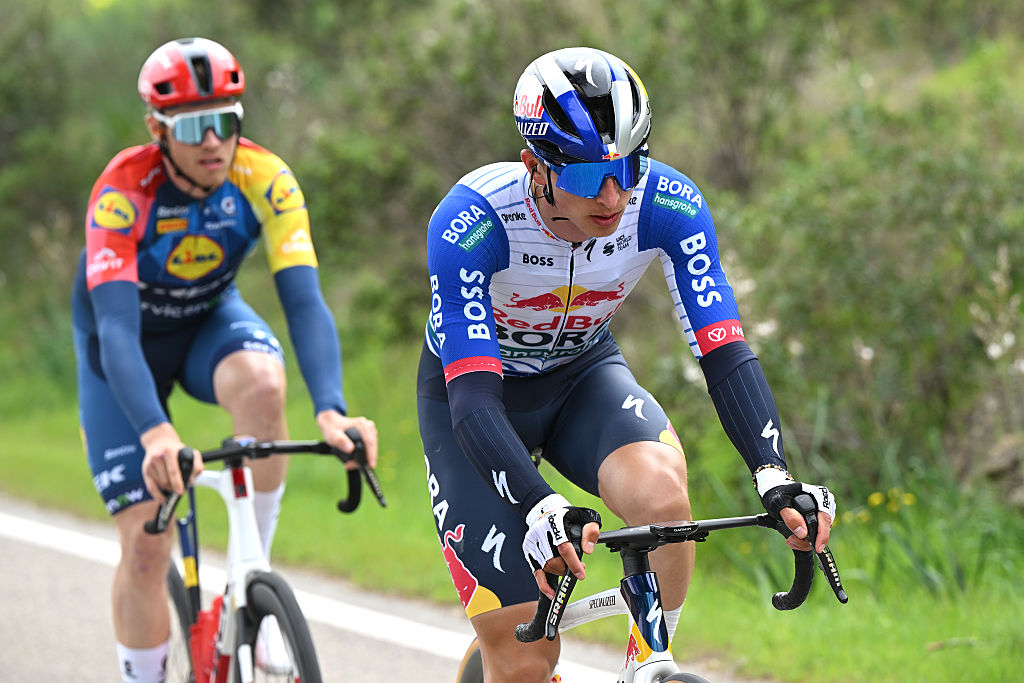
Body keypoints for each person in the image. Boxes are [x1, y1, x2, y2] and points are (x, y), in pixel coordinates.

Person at [417, 46, 836, 682]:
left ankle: (647, 665)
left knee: (664, 501)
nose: (612, 195)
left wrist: (774, 476)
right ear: (536, 167)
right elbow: (474, 399)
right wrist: (538, 506)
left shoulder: (668, 203)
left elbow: (723, 351)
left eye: (628, 166)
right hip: (474, 403)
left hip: (583, 379)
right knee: (525, 655)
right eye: (587, 177)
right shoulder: (474, 221)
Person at [71, 37, 377, 682]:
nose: (214, 142)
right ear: (157, 130)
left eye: (227, 122)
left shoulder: (264, 177)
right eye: (193, 126)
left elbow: (304, 302)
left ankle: (252, 578)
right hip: (122, 351)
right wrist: (156, 434)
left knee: (265, 384)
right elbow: (117, 332)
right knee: (147, 550)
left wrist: (331, 410)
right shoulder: (124, 192)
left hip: (209, 323)